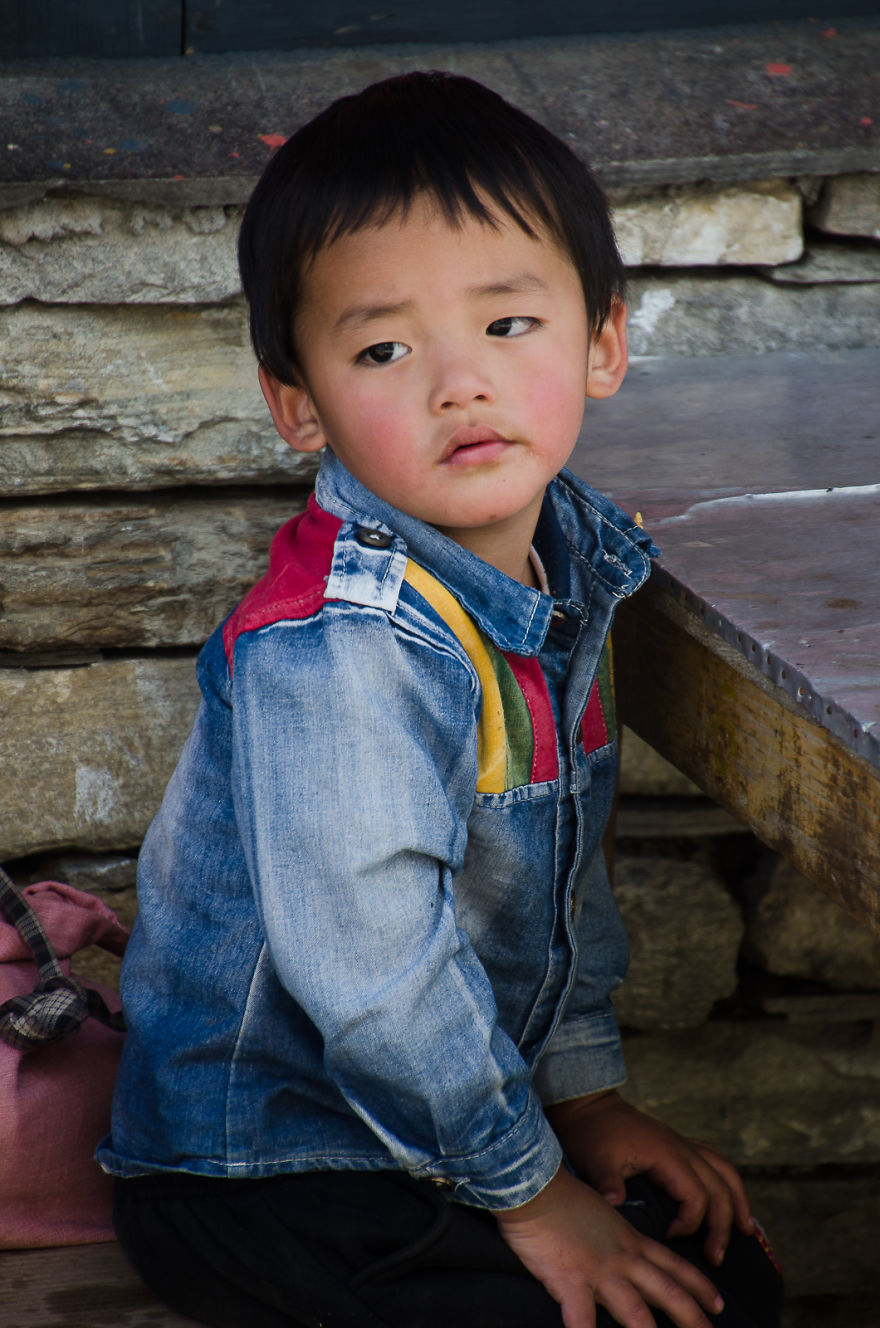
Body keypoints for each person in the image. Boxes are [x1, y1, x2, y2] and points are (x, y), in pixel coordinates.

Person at [97, 71, 783, 1328]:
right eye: (383, 348)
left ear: (602, 342)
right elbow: (371, 980)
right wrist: (533, 1193)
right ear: (299, 402)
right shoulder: (341, 649)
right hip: (266, 1165)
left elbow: (558, 878)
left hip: (438, 1136)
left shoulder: (565, 567)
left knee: (720, 1274)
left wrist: (583, 1097)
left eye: (507, 325)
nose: (457, 382)